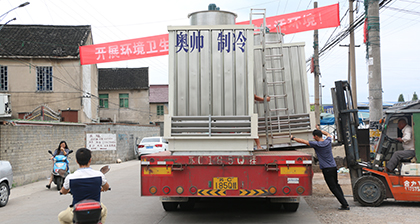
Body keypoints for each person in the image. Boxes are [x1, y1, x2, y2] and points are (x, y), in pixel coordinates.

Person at [290, 125, 350, 210]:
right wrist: (319, 130)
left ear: (316, 136)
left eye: (314, 136)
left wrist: (293, 138)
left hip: (326, 169)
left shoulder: (317, 144)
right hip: (333, 167)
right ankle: (343, 201)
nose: (313, 138)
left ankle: (345, 205)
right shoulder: (328, 141)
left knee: (333, 187)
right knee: (336, 185)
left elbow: (304, 141)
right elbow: (328, 134)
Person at [58, 148, 110, 224]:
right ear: (90, 160)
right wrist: (101, 189)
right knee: (104, 210)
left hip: (77, 212)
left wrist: (64, 191)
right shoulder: (99, 175)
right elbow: (106, 187)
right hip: (95, 210)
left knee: (61, 217)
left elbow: (63, 191)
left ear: (77, 161)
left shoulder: (70, 177)